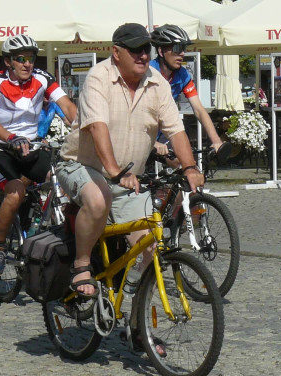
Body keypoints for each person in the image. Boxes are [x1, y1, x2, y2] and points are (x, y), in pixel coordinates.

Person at [57, 23, 204, 306]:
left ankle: (136, 320)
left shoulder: (157, 83)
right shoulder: (99, 78)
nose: (143, 56)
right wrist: (113, 170)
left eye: (146, 50)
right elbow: (98, 127)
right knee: (99, 198)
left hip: (129, 179)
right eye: (135, 50)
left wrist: (190, 168)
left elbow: (176, 130)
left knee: (149, 244)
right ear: (116, 53)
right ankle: (81, 266)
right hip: (81, 166)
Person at [0, 34, 76, 278]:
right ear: (8, 61)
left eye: (31, 58)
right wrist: (11, 138)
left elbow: (67, 107)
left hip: (31, 149)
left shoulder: (42, 78)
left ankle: (61, 237)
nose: (27, 64)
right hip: (0, 150)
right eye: (20, 59)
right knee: (15, 193)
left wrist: (86, 128)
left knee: (65, 182)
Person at [147, 24, 227, 161]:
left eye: (184, 48)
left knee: (183, 164)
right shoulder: (148, 73)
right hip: (139, 133)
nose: (182, 53)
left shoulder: (183, 75)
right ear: (161, 52)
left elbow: (199, 110)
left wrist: (216, 141)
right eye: (177, 48)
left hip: (161, 132)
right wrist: (150, 142)